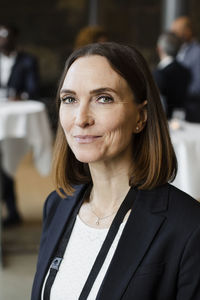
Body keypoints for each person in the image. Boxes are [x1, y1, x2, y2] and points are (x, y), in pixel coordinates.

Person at [32, 42, 200, 300]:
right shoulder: (56, 205)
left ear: (141, 117)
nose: (81, 118)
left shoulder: (189, 227)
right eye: (70, 99)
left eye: (103, 98)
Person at [0, 23, 40, 227]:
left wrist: (20, 96)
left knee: (8, 163)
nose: (3, 39)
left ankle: (12, 210)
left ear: (15, 38)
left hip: (13, 121)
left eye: (6, 35)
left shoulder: (27, 60)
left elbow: (33, 89)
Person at [153, 31, 190, 119]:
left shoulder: (159, 73)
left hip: (164, 120)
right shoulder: (186, 72)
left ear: (159, 49)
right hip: (184, 118)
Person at [171, 16, 200, 122]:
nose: (173, 35)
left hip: (192, 111)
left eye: (176, 31)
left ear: (187, 31)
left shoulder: (197, 53)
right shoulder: (177, 50)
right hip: (177, 110)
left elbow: (197, 85)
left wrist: (178, 92)